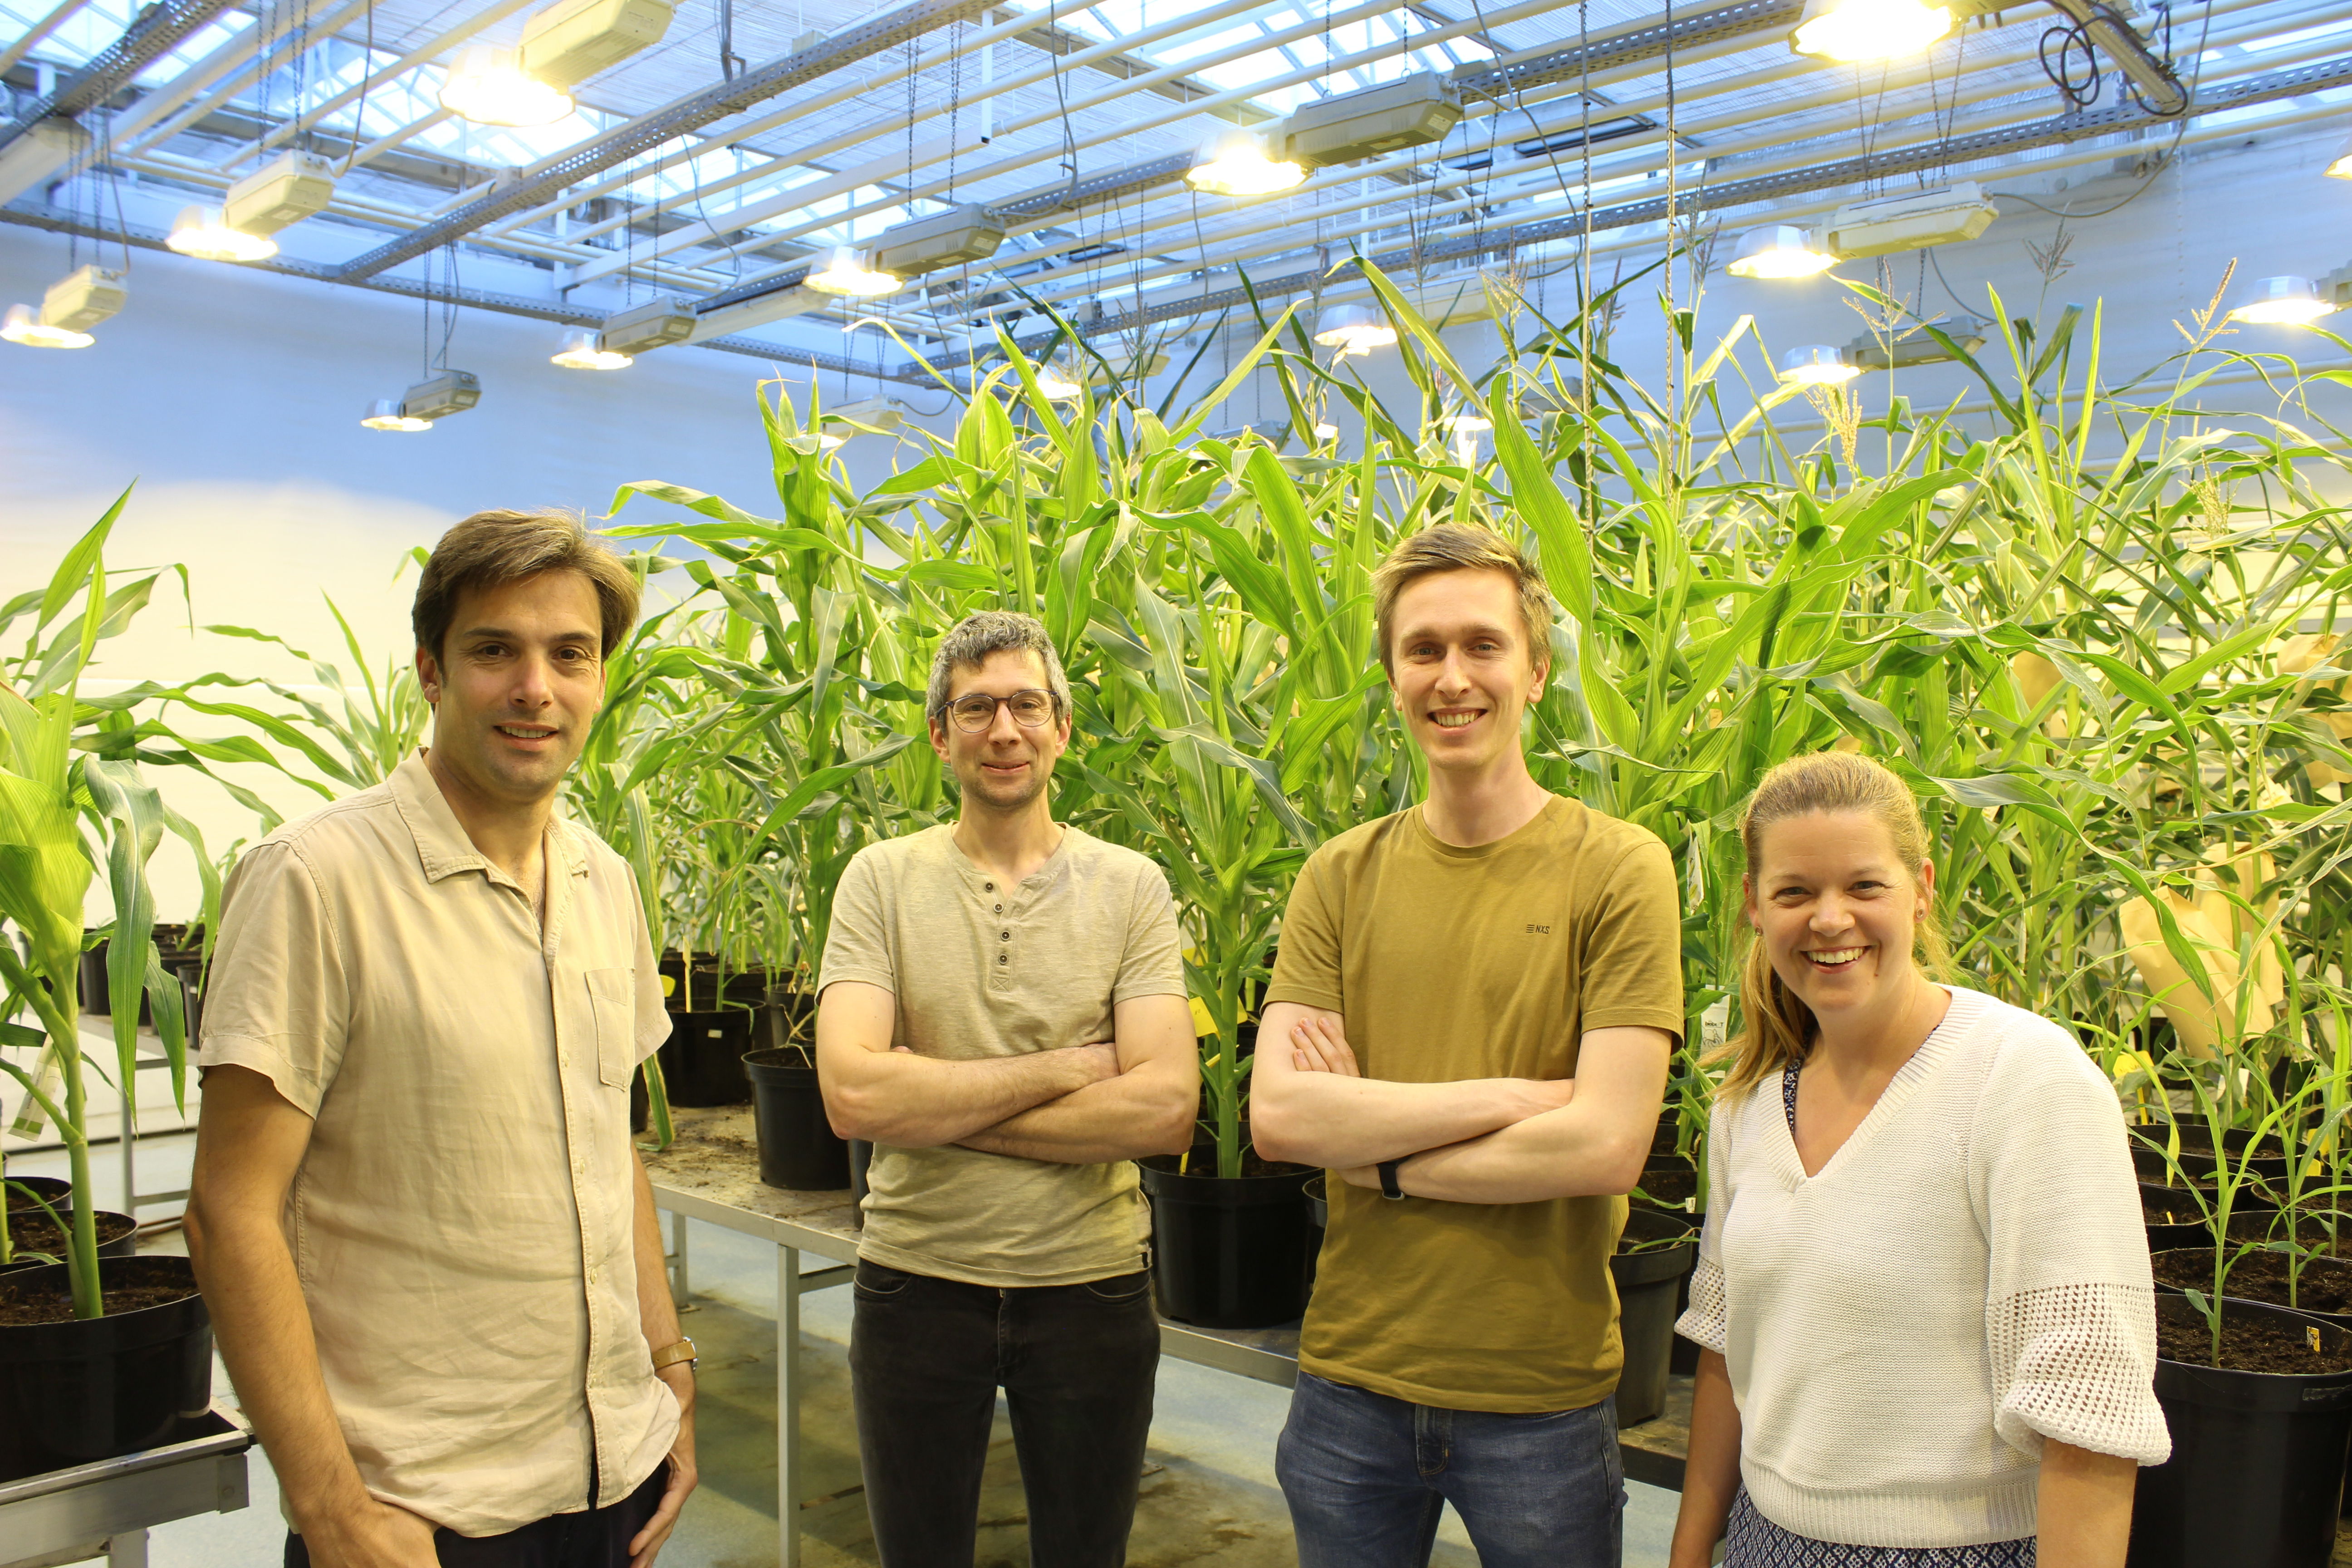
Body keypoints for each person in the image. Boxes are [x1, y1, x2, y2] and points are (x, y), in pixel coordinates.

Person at [185, 511, 696, 1568]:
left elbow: (611, 1151)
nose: (535, 690)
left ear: (601, 679)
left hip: (614, 1478)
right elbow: (229, 1211)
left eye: (571, 655)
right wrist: (329, 1508)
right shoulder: (316, 881)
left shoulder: (607, 881)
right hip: (422, 1514)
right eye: (494, 651)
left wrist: (670, 1371)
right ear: (430, 669)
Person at [1249, 522, 1687, 1568]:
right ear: (1394, 677)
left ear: (1536, 670)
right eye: (1424, 649)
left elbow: (1604, 1149)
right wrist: (1516, 1096)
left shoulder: (1619, 871)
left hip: (1540, 1401)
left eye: (1483, 646)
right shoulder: (1339, 878)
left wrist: (1375, 1155)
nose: (1454, 677)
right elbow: (1280, 1120)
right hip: (1349, 1380)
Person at [1667, 750, 2168, 1568]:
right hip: (1765, 1541)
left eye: (1865, 887)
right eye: (1795, 892)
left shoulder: (2023, 1079)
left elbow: (2088, 1405)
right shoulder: (1750, 1102)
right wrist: (1691, 1550)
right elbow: (1727, 1344)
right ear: (1756, 909)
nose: (1830, 920)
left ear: (1923, 889)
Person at [814, 610, 1197, 1568]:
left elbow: (1163, 1107)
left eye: (1028, 705)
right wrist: (1073, 1067)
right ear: (941, 735)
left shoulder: (1132, 886)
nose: (1005, 731)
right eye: (976, 708)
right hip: (914, 1284)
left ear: (1063, 729)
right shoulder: (881, 882)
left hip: (1091, 1288)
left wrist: (936, 1101)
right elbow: (854, 1098)